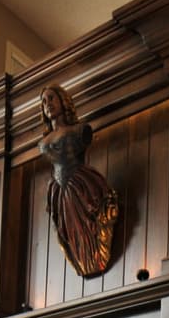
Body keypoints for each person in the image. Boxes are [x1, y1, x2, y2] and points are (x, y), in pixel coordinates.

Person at [39, 83, 119, 278]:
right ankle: (84, 261)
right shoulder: (42, 142)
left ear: (63, 101)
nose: (47, 104)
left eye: (51, 98)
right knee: (68, 233)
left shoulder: (80, 131)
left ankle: (92, 259)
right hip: (59, 189)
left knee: (88, 226)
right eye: (43, 101)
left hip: (79, 184)